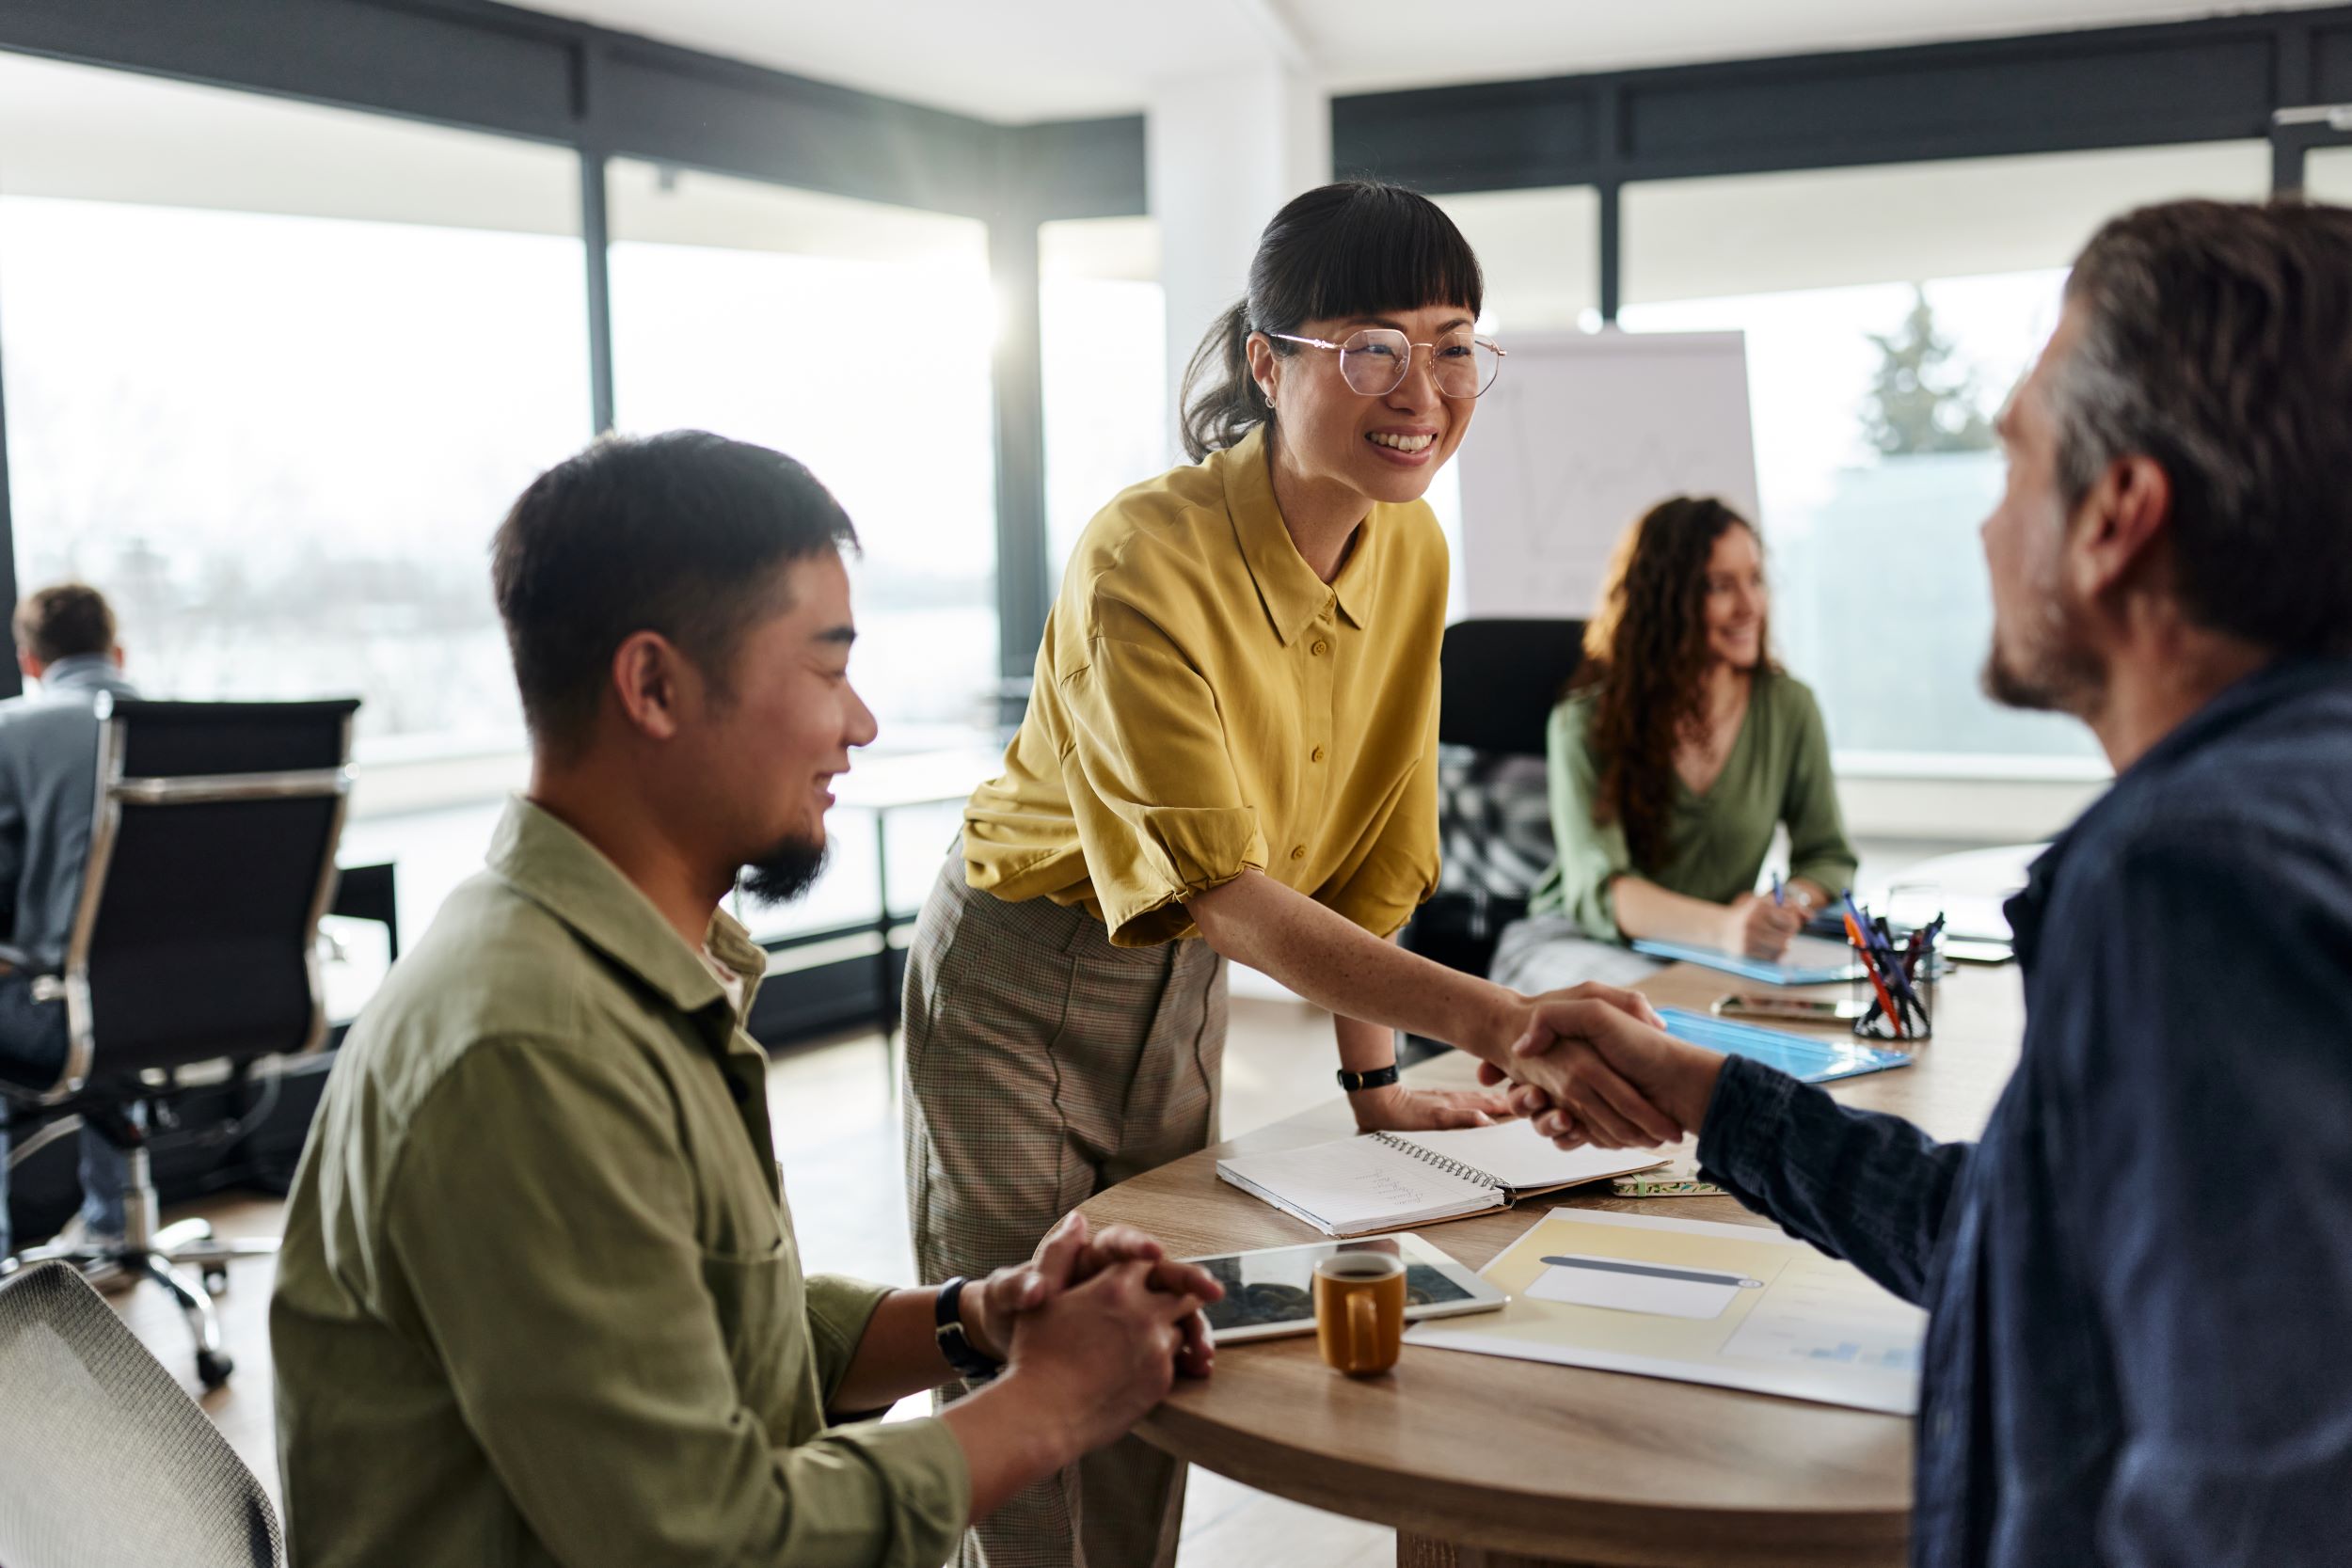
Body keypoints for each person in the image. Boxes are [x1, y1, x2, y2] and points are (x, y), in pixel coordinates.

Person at [1498, 198, 2352, 1564]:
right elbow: (2025, 1247)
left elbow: (2254, 1514)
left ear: (2116, 516)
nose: (1985, 521)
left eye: (2015, 460)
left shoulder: (2188, 885)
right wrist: (1710, 1097)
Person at [270, 432, 1226, 1568]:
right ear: (655, 685)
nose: (859, 721)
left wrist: (975, 1318)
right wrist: (1054, 1399)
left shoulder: (598, 969)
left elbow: (725, 1337)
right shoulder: (526, 1045)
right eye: (826, 669)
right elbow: (705, 1540)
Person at [902, 179, 1672, 1568]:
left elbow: (1374, 847)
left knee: (1154, 1343)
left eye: (1452, 343)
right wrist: (1506, 1023)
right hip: (1019, 974)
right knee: (1028, 1364)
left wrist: (1376, 1089)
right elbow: (1226, 888)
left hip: (1183, 987)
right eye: (1372, 343)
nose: (1422, 389)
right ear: (1270, 362)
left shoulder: (1418, 545)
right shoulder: (1145, 551)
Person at [1487, 497, 1858, 994]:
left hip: (1710, 953)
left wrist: (1785, 905)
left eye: (1755, 579)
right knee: (1655, 1022)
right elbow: (1602, 893)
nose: (1749, 606)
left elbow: (1828, 855)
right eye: (1720, 586)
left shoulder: (1789, 707)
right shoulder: (1584, 721)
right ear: (1665, 600)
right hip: (1577, 944)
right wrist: (1725, 928)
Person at [0, 583, 139, 1277]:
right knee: (118, 997)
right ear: (117, 650)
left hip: (67, 1012)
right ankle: (116, 1226)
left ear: (31, 662)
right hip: (210, 1001)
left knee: (70, 992)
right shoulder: (191, 728)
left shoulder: (13, 731)